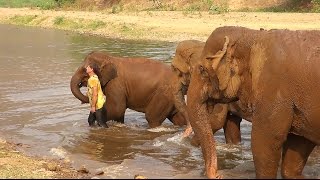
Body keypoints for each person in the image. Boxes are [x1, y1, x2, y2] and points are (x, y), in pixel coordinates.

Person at [86, 63, 108, 128]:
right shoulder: (94, 77)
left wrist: (93, 106)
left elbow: (95, 94)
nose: (86, 68)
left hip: (98, 104)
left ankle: (108, 134)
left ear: (91, 69)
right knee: (90, 120)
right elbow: (92, 91)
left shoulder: (92, 79)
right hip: (97, 103)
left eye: (88, 67)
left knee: (101, 123)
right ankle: (94, 134)